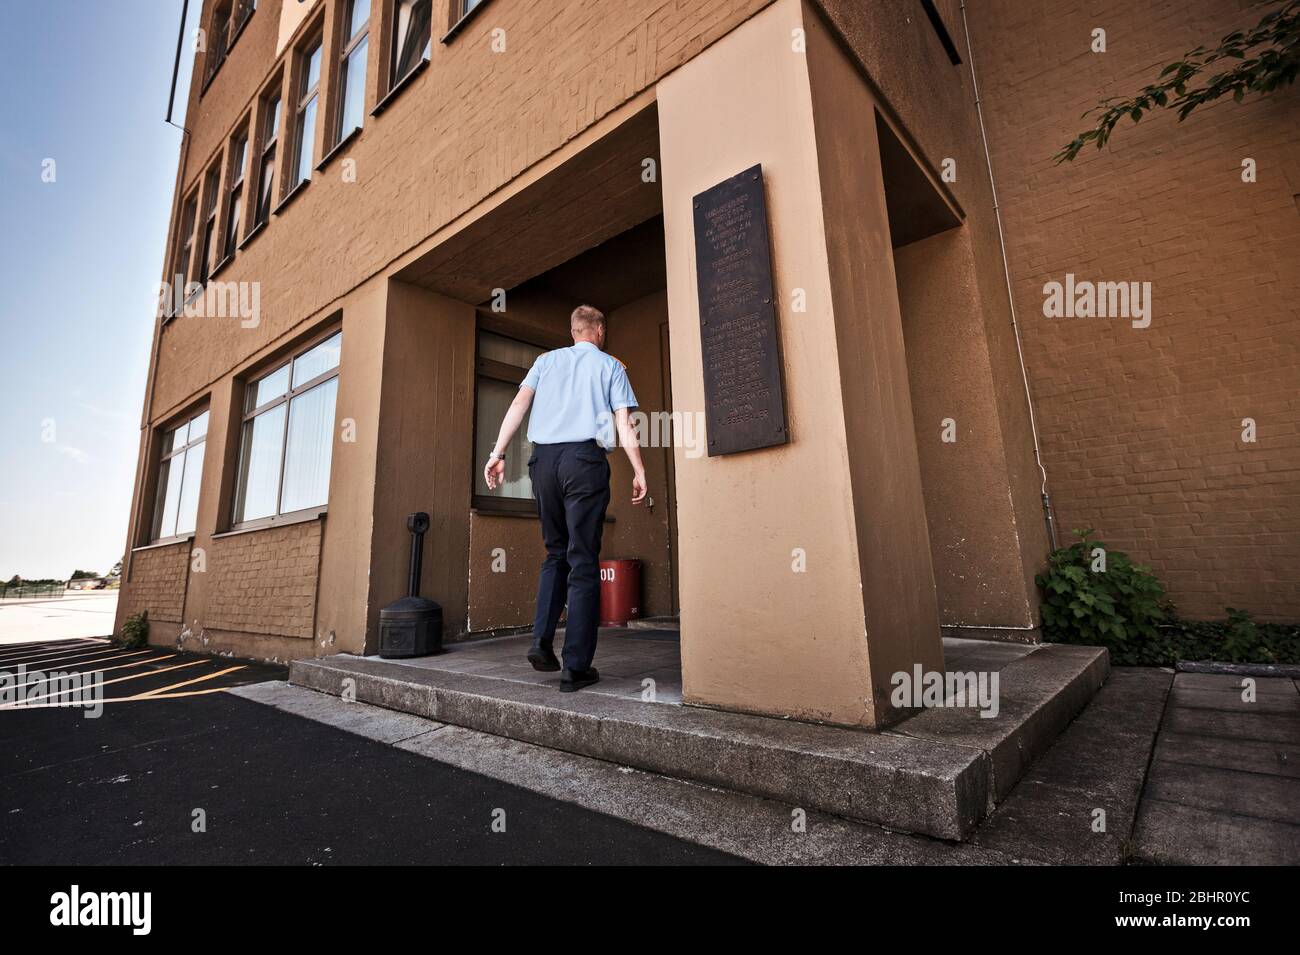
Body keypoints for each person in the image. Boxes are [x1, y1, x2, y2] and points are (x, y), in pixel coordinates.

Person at [483, 305, 648, 692]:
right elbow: (624, 423)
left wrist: (497, 453)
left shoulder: (545, 361)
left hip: (543, 462)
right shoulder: (611, 366)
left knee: (555, 553)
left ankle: (540, 641)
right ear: (600, 331)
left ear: (574, 332)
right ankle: (575, 667)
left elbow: (518, 405)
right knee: (583, 560)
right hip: (583, 461)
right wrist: (639, 470)